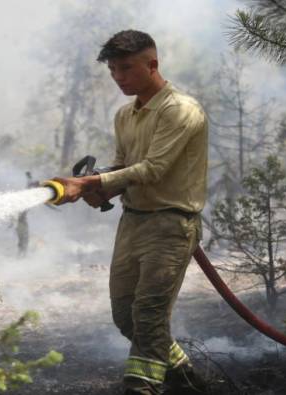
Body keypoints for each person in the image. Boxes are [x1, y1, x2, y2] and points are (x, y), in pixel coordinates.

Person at [53, 30, 208, 395]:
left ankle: (142, 387)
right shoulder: (125, 115)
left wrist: (92, 183)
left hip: (171, 224)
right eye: (112, 70)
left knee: (150, 315)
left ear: (152, 65)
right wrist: (99, 186)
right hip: (133, 222)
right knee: (126, 317)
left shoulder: (180, 110)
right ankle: (189, 384)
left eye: (126, 68)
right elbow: (125, 166)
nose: (118, 77)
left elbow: (153, 169)